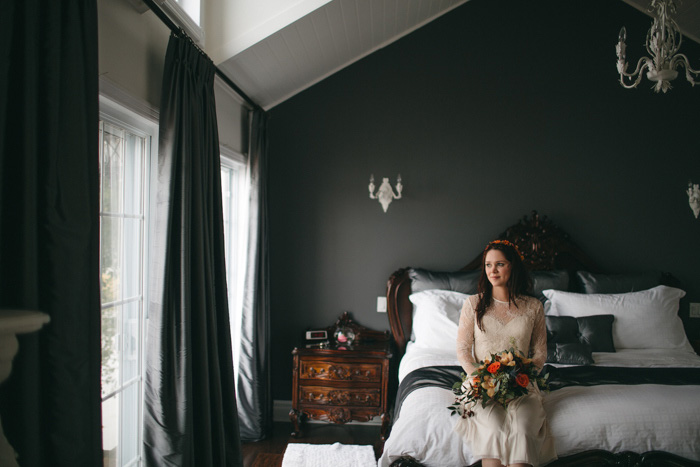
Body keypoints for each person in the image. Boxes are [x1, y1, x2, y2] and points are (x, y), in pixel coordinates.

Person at [455, 239, 556, 467]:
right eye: (488, 265)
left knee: (521, 429)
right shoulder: (473, 304)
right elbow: (462, 350)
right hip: (481, 385)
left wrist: (522, 377)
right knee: (493, 427)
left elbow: (539, 352)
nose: (493, 270)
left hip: (522, 383)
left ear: (513, 266)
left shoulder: (533, 307)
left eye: (499, 264)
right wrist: (481, 378)